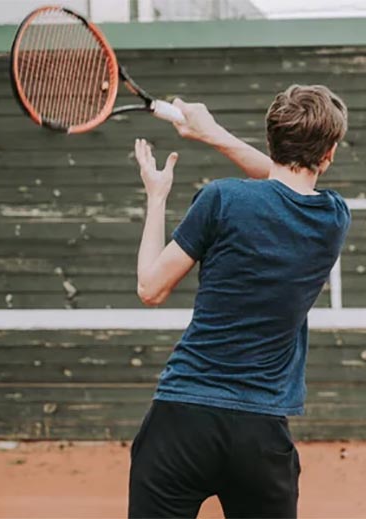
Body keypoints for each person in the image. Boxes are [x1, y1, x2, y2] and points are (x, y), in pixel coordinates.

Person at [128, 85, 350, 518]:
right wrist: (213, 134)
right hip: (261, 435)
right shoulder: (333, 219)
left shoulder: (222, 199)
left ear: (272, 138)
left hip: (181, 420)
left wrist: (156, 197)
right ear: (330, 154)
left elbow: (150, 288)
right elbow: (283, 179)